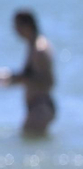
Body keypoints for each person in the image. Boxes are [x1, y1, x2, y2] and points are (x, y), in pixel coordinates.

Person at [2, 10, 56, 138]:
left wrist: (12, 79)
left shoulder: (40, 48)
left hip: (41, 107)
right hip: (37, 107)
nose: (15, 30)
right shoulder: (34, 45)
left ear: (26, 26)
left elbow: (45, 80)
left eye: (17, 25)